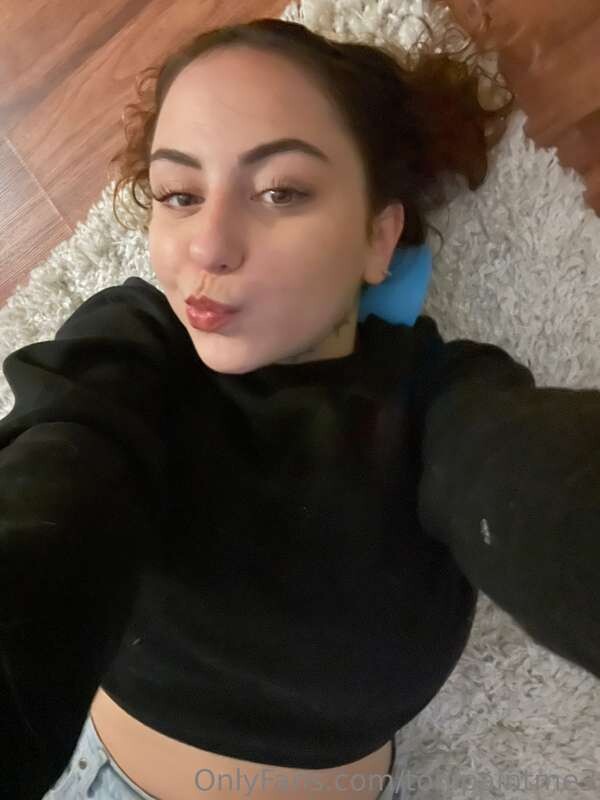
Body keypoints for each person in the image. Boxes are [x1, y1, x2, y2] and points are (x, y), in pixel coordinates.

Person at [1, 16, 599, 800]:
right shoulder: (134, 350)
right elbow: (55, 485)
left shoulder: (437, 401)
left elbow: (541, 485)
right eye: (179, 195)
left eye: (280, 191)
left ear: (379, 237)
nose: (207, 246)